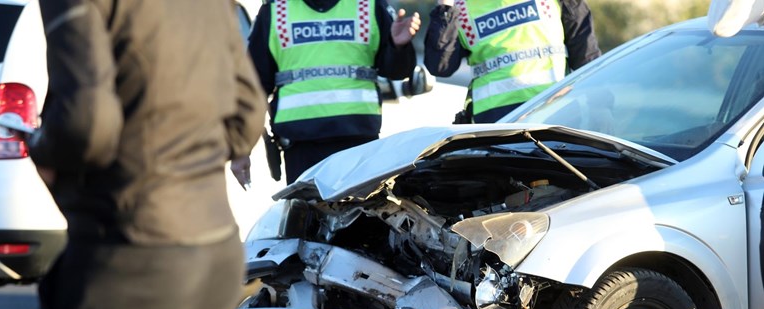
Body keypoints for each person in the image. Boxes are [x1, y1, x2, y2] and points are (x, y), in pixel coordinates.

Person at [3, 0, 265, 309]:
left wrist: (44, 145)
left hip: (132, 249)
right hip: (212, 249)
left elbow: (86, 125)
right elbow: (246, 117)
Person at [249, 0, 421, 184]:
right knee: (307, 212)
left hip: (358, 143)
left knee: (360, 212)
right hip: (301, 147)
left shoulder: (368, 5)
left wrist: (398, 47)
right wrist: (242, 149)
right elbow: (254, 85)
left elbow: (396, 71)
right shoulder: (277, 10)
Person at [424, 0, 601, 123]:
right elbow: (440, 66)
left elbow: (587, 59)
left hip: (555, 112)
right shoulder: (461, 7)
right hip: (496, 122)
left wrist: (603, 109)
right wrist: (445, 9)